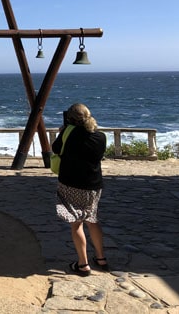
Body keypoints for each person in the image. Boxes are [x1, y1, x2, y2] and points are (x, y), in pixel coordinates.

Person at [52, 103, 108, 276]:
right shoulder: (101, 136)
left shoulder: (70, 134)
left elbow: (55, 149)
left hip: (72, 183)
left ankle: (83, 264)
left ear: (70, 119)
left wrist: (63, 132)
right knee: (92, 219)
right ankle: (101, 258)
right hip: (94, 184)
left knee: (76, 223)